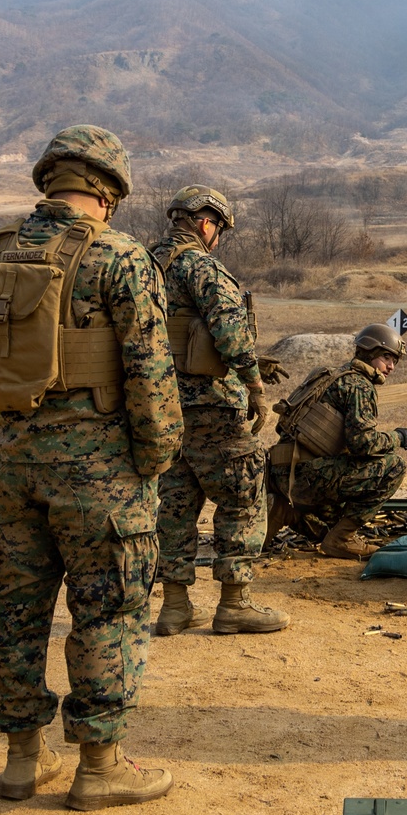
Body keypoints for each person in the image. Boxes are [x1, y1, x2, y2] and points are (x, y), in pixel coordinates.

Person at [0, 126, 183, 809]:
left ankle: (24, 760)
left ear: (50, 181)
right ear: (108, 191)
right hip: (99, 477)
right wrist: (154, 461)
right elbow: (151, 377)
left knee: (18, 611)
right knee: (107, 611)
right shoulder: (121, 258)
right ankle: (100, 767)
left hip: (11, 468)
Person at [151, 187, 290, 636]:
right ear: (205, 223)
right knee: (242, 494)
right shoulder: (201, 267)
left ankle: (174, 606)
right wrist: (255, 386)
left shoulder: (144, 265)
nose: (218, 238)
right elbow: (231, 335)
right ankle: (234, 604)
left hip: (160, 408)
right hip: (212, 407)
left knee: (175, 503)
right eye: (219, 230)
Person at [274, 323, 407, 559]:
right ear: (368, 352)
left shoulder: (329, 374)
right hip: (306, 478)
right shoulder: (359, 385)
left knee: (329, 525)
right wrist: (398, 437)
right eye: (387, 357)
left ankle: (285, 512)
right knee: (394, 467)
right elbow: (363, 444)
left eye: (395, 361)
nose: (391, 366)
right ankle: (341, 540)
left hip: (283, 473)